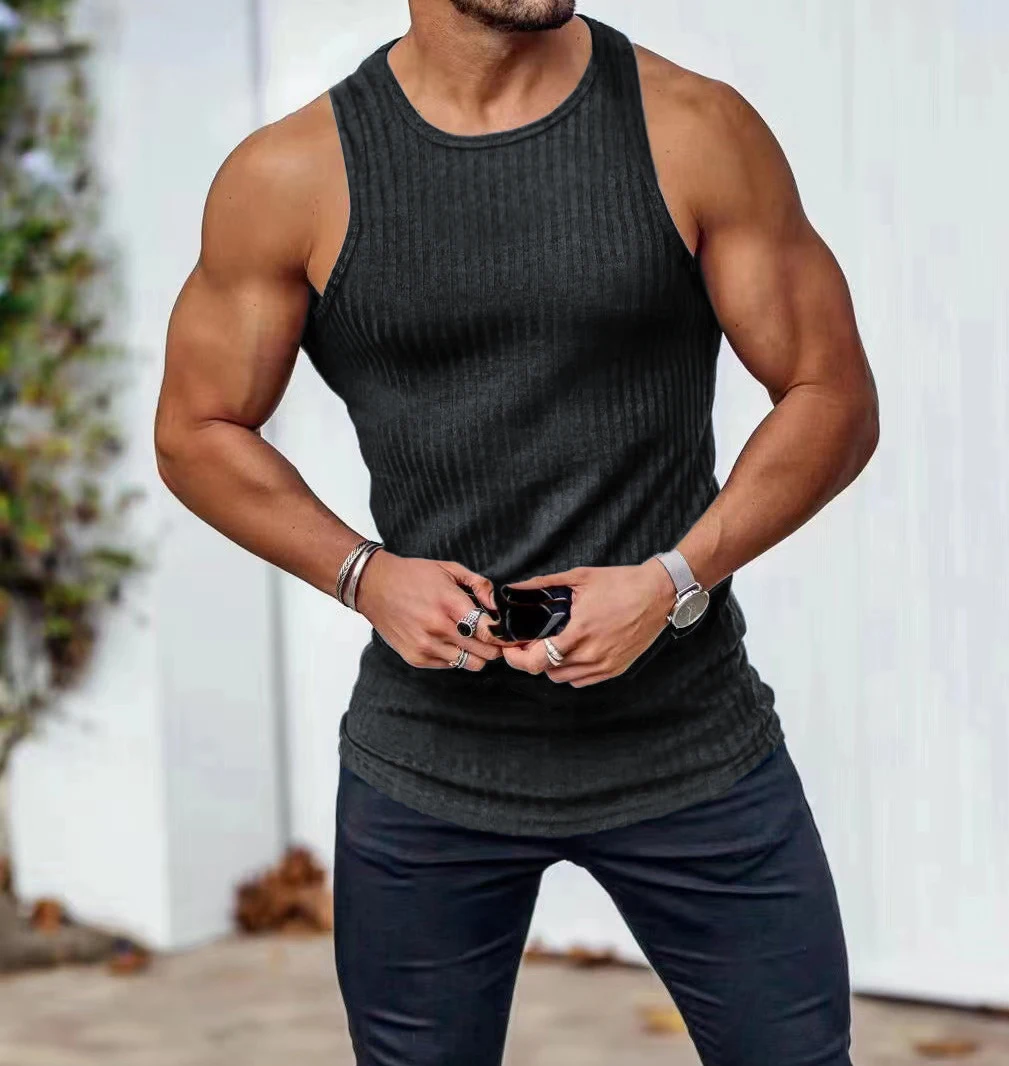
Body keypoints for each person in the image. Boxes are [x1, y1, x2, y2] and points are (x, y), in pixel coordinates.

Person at [155, 1, 879, 1063]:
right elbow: (196, 429)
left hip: (690, 743)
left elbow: (832, 395)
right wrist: (364, 575)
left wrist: (675, 578)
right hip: (429, 766)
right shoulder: (294, 176)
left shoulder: (693, 129)